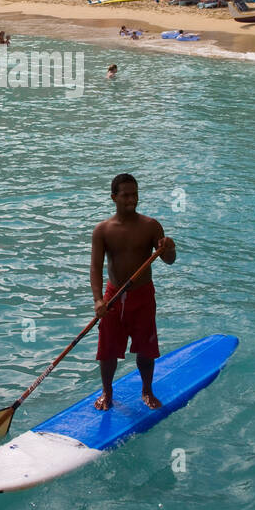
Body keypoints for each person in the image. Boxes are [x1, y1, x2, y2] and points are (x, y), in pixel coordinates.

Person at [91, 173, 177, 412]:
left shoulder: (151, 226)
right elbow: (96, 267)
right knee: (107, 350)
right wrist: (98, 300)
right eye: (126, 195)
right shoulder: (103, 230)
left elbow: (169, 260)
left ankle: (147, 390)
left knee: (146, 348)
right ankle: (107, 392)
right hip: (113, 297)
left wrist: (169, 248)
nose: (132, 199)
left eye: (135, 194)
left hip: (142, 296)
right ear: (113, 197)